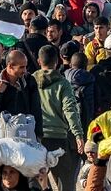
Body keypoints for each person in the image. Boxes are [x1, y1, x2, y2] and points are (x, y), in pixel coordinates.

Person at [34, 45, 84, 191]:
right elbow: (70, 109)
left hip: (37, 139)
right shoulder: (63, 84)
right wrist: (78, 134)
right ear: (57, 62)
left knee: (38, 183)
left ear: (38, 61)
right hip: (59, 140)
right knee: (66, 183)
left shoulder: (31, 81)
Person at [0, 50, 44, 141]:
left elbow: (36, 109)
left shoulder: (29, 81)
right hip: (2, 139)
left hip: (26, 137)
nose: (25, 70)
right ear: (10, 66)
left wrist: (38, 135)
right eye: (21, 67)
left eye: (25, 67)